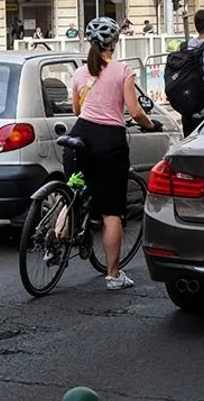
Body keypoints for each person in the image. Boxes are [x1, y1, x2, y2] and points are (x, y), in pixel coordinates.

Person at [69, 17, 160, 290]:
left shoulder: (78, 73)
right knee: (112, 212)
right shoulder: (123, 71)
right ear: (114, 43)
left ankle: (54, 237)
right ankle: (113, 274)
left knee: (73, 192)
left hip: (80, 135)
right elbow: (135, 111)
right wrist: (150, 124)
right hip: (109, 141)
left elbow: (76, 111)